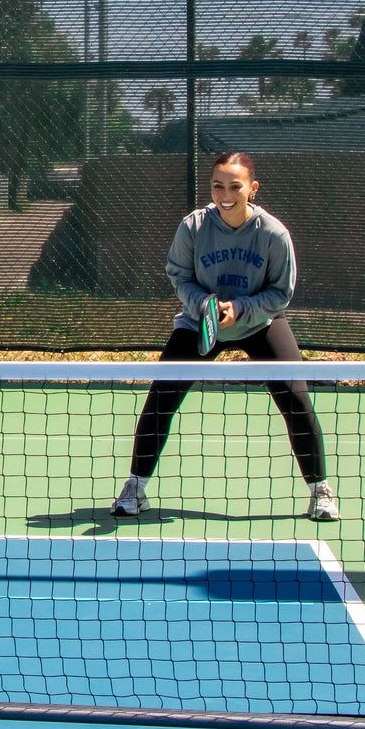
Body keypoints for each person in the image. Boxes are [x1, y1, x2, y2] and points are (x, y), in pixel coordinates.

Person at [111, 151, 338, 522]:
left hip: (260, 324)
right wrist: (207, 307)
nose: (225, 193)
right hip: (200, 322)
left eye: (235, 186)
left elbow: (281, 293)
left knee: (296, 400)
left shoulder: (273, 234)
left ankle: (320, 491)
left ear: (252, 188)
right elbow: (179, 275)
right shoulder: (194, 226)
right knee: (160, 397)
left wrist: (240, 310)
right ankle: (134, 487)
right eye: (218, 185)